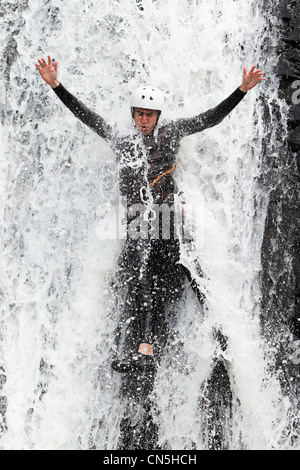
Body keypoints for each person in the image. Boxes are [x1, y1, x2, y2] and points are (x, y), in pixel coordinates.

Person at [35, 56, 265, 373]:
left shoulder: (170, 133)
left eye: (150, 114)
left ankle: (223, 331)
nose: (144, 119)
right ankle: (145, 349)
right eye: (140, 113)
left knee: (192, 266)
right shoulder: (122, 141)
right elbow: (85, 116)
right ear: (134, 114)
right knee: (143, 272)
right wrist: (57, 85)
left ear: (158, 115)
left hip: (169, 215)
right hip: (138, 219)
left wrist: (241, 90)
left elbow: (210, 118)